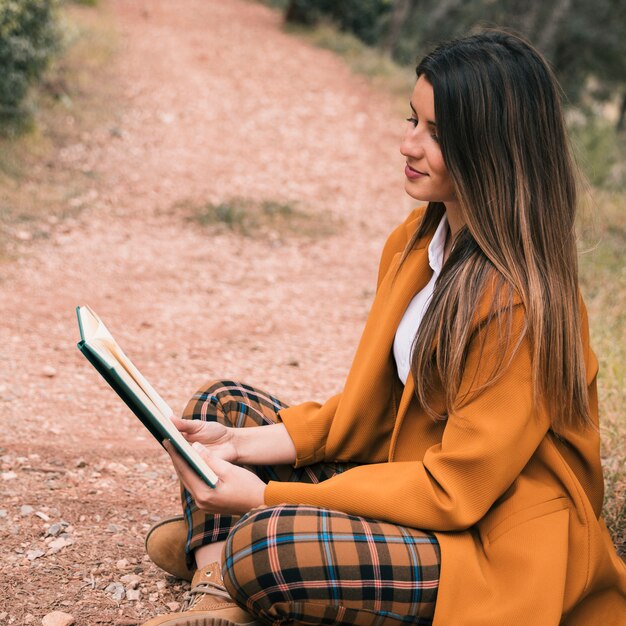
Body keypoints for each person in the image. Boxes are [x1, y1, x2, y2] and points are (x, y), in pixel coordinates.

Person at [140, 30, 626, 626]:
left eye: (437, 134)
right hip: (407, 484)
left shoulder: (520, 302)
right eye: (412, 119)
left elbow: (455, 492)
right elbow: (374, 411)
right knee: (224, 408)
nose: (408, 143)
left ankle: (226, 550)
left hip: (490, 540)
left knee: (265, 544)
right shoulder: (416, 241)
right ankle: (217, 588)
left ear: (494, 151)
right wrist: (245, 446)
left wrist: (265, 496)